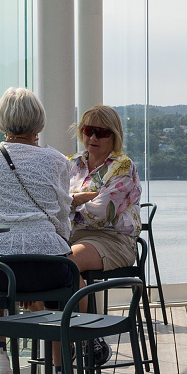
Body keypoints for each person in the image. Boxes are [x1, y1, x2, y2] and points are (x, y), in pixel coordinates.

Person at [0, 87, 78, 295]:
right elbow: (61, 216)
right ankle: (71, 326)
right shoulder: (57, 160)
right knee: (77, 282)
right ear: (38, 120)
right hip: (47, 265)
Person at [68, 104, 143, 273]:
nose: (93, 138)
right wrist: (78, 199)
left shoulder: (122, 167)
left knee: (67, 264)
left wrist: (66, 202)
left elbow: (99, 215)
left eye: (101, 133)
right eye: (88, 130)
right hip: (70, 238)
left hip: (112, 240)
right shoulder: (70, 163)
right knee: (41, 264)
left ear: (113, 136)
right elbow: (48, 203)